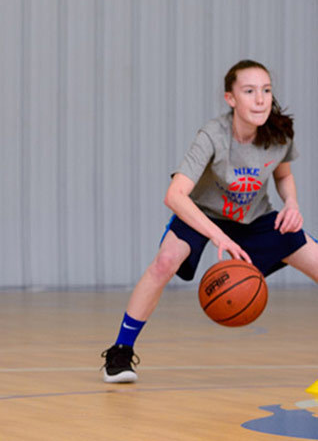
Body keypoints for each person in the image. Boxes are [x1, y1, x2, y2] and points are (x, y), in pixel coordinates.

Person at [101, 59, 318, 383]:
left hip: (255, 217)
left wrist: (292, 204)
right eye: (249, 91)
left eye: (266, 90)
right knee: (164, 262)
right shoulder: (213, 136)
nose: (260, 99)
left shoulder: (279, 134)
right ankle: (120, 352)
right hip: (203, 213)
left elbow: (284, 176)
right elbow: (175, 195)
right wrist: (219, 236)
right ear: (231, 98)